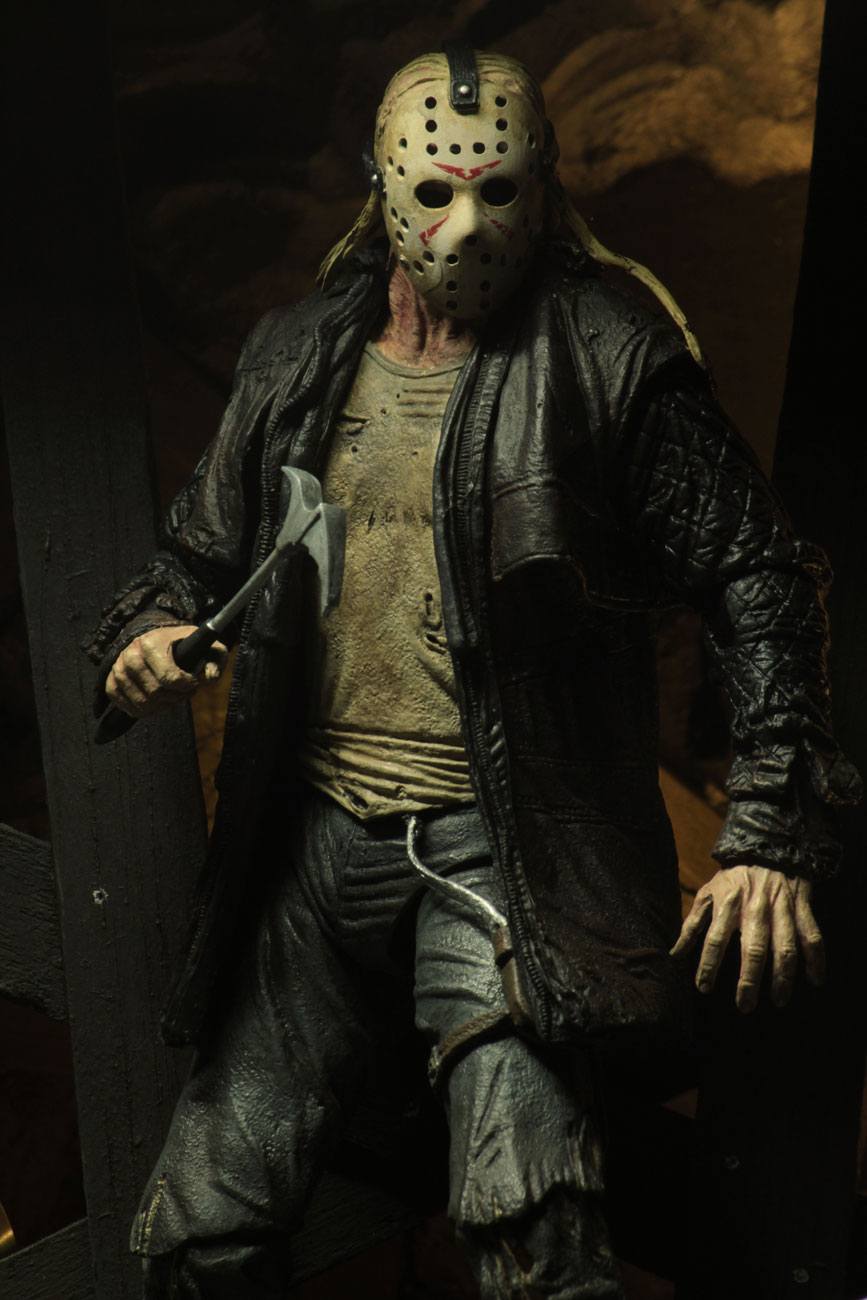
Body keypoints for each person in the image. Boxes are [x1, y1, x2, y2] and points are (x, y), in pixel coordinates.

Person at [86, 45, 860, 1300]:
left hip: (502, 857)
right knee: (201, 1232)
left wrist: (769, 825)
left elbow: (760, 575)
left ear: (544, 187)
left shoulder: (609, 359)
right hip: (309, 848)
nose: (467, 226)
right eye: (437, 190)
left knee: (530, 1222)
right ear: (384, 187)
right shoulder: (298, 356)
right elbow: (194, 551)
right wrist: (150, 634)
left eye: (499, 191)